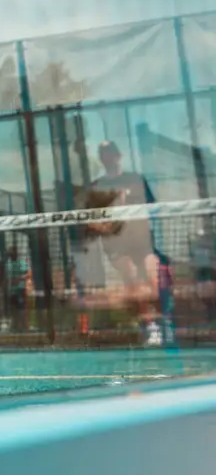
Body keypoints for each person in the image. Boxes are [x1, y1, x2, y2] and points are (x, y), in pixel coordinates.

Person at [78, 140, 164, 347]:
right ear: (101, 158)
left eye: (109, 152)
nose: (107, 156)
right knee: (132, 278)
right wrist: (107, 225)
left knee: (153, 279)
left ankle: (160, 320)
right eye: (103, 153)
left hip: (142, 241)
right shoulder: (96, 187)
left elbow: (152, 207)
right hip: (116, 245)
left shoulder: (135, 179)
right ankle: (150, 325)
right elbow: (91, 221)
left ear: (118, 155)